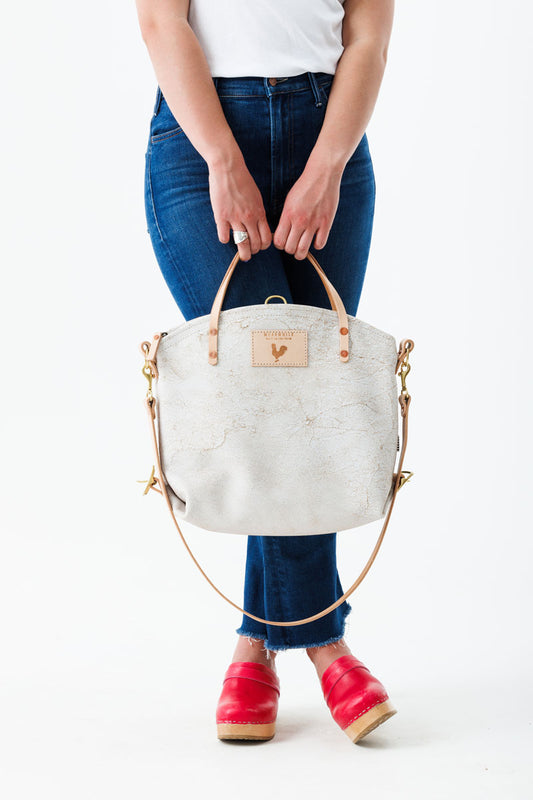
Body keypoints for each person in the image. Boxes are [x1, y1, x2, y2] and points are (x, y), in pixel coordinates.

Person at [136, 0, 396, 744]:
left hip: (329, 130)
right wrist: (223, 160)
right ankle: (325, 643)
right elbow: (161, 22)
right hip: (201, 134)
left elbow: (367, 37)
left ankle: (255, 646)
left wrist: (328, 165)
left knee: (304, 404)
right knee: (270, 398)